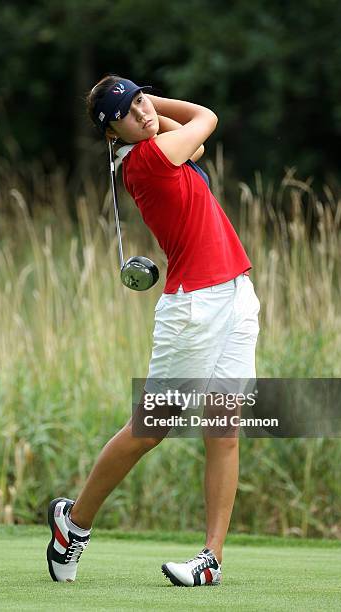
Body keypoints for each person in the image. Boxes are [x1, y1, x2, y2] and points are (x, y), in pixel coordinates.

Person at [46, 75, 260, 587]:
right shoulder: (147, 160)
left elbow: (197, 137)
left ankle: (211, 558)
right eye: (126, 111)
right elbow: (205, 118)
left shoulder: (161, 147)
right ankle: (72, 525)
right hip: (193, 310)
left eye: (141, 100)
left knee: (224, 433)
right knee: (151, 427)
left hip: (236, 296)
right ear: (111, 133)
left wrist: (136, 105)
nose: (141, 112)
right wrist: (150, 104)